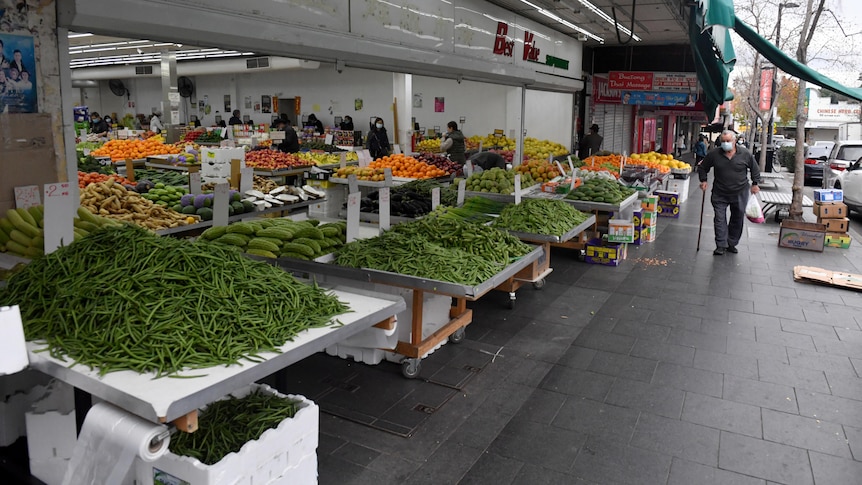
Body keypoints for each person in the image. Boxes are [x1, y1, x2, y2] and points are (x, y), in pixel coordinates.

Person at [698, 130, 762, 255]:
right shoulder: (714, 154)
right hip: (720, 192)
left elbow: (755, 169)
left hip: (740, 191)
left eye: (728, 141)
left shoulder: (745, 154)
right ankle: (721, 244)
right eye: (723, 141)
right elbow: (703, 167)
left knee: (737, 218)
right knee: (719, 218)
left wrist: (755, 184)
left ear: (734, 141)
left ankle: (731, 243)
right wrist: (703, 180)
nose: (726, 143)